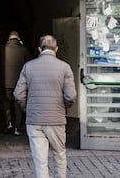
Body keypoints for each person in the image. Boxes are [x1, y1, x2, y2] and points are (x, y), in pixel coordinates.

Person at [13, 35, 77, 178]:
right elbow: (71, 95)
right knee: (60, 155)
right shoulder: (65, 67)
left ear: (39, 49)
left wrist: (27, 109)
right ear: (57, 49)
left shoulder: (28, 67)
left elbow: (18, 94)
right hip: (57, 119)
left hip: (34, 121)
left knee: (40, 160)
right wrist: (64, 108)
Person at [3, 31, 32, 135]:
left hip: (6, 82)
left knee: (6, 102)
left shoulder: (4, 48)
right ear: (18, 39)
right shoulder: (23, 49)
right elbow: (30, 62)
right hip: (20, 82)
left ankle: (8, 123)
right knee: (18, 104)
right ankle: (17, 127)